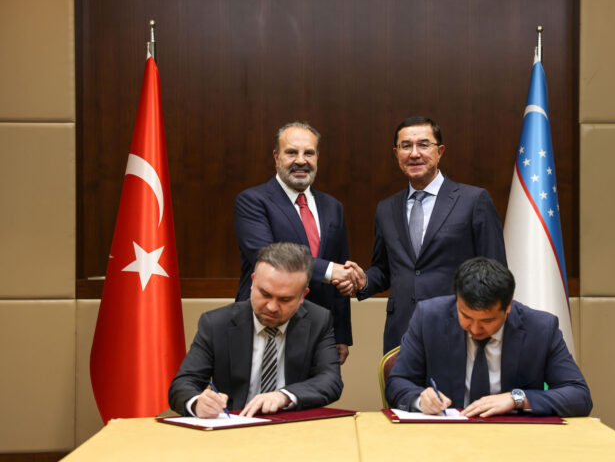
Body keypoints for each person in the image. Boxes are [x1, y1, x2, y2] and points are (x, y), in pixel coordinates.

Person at [338, 116, 506, 353]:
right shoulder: (386, 208)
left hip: (460, 332)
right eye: (406, 146)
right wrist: (364, 280)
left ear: (440, 151)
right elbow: (385, 270)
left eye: (424, 145)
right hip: (401, 333)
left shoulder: (474, 200)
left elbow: (495, 273)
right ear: (396, 153)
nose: (414, 153)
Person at [386, 257, 592, 417]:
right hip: (445, 437)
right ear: (457, 300)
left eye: (487, 320)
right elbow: (397, 382)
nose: (476, 329)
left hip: (516, 440)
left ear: (508, 306)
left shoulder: (540, 328)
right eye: (466, 316)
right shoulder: (429, 318)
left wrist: (517, 398)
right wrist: (420, 400)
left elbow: (579, 395)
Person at [169, 242, 343, 418]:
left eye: (285, 299)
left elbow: (330, 380)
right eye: (265, 294)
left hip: (291, 425)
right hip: (234, 425)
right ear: (253, 282)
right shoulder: (216, 324)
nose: (272, 307)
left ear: (302, 296)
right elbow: (183, 384)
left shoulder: (318, 320)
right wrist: (197, 403)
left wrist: (283, 396)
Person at [234, 122, 353, 363]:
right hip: (266, 322)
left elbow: (340, 274)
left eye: (308, 153)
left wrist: (340, 334)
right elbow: (266, 256)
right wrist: (331, 270)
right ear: (276, 157)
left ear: (317, 157)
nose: (301, 160)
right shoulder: (252, 201)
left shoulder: (333, 207)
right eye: (291, 152)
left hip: (319, 330)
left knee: (319, 387)